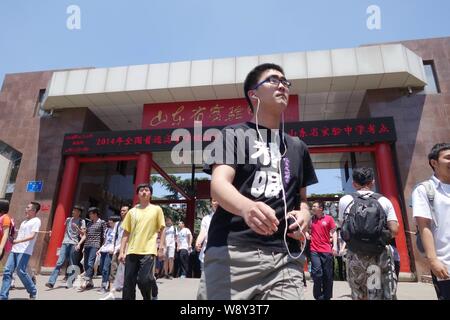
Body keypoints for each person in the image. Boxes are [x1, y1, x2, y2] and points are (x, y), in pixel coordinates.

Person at [197, 63, 318, 300]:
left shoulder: (297, 147)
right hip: (233, 254)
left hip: (286, 259)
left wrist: (305, 215)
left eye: (285, 82)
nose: (282, 85)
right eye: (273, 80)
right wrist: (246, 207)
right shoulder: (233, 134)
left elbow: (302, 199)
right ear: (253, 94)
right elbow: (219, 185)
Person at [338, 167, 398, 300]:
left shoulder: (345, 200)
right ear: (373, 182)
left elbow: (343, 227)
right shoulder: (384, 200)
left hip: (355, 254)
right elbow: (394, 229)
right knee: (378, 290)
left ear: (354, 184)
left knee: (359, 293)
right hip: (379, 253)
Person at [412, 143, 450, 300]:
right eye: (448, 158)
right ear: (434, 163)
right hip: (446, 265)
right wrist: (433, 260)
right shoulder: (425, 190)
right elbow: (424, 227)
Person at [119, 183, 165, 300]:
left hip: (148, 250)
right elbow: (126, 233)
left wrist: (161, 248)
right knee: (128, 283)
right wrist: (121, 251)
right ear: (138, 194)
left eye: (146, 190)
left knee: (144, 280)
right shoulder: (132, 212)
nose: (144, 192)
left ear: (150, 194)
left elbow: (162, 229)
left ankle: (149, 295)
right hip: (132, 250)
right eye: (141, 190)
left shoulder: (156, 209)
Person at [0, 202, 41, 300]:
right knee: (7, 271)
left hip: (25, 250)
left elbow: (32, 236)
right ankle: (3, 296)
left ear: (34, 210)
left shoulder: (36, 221)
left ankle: (32, 290)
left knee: (20, 271)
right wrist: (13, 239)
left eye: (28, 208)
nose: (25, 209)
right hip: (15, 249)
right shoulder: (24, 222)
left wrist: (17, 241)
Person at [46, 205, 86, 288]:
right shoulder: (68, 219)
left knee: (72, 263)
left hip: (74, 243)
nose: (73, 212)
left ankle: (70, 282)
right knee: (59, 262)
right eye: (73, 210)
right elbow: (62, 229)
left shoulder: (82, 221)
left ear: (79, 212)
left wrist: (78, 228)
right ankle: (51, 282)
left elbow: (83, 234)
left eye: (75, 210)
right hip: (65, 242)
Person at [100, 204, 130, 300]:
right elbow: (114, 237)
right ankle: (111, 293)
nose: (122, 212)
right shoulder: (117, 224)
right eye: (121, 210)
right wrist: (112, 247)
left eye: (124, 211)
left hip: (127, 250)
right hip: (117, 249)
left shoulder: (132, 223)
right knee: (113, 270)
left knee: (126, 273)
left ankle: (126, 293)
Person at [309, 201, 337, 300]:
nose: (312, 207)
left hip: (326, 250)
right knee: (317, 273)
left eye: (314, 206)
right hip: (314, 250)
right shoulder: (311, 220)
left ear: (320, 208)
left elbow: (334, 232)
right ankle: (318, 296)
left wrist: (335, 246)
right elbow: (306, 230)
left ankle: (327, 296)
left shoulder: (329, 218)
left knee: (327, 274)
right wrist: (307, 234)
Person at [79, 207, 107, 291]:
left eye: (90, 214)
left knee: (91, 263)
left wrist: (102, 246)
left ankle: (86, 280)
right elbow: (85, 235)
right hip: (87, 245)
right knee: (86, 264)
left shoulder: (102, 222)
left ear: (95, 214)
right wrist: (81, 245)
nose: (89, 215)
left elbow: (105, 235)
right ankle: (90, 282)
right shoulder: (89, 224)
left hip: (95, 245)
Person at [96, 215, 120, 293]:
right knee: (101, 268)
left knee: (105, 269)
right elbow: (105, 241)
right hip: (104, 250)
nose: (109, 221)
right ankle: (108, 284)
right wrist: (100, 249)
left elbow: (118, 241)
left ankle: (104, 286)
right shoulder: (107, 230)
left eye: (110, 220)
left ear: (114, 221)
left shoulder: (117, 231)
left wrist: (115, 249)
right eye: (109, 220)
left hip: (110, 251)